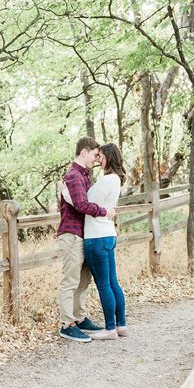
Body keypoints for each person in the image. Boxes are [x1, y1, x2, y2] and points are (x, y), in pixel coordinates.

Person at [63, 143, 127, 341]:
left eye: (100, 156)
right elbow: (89, 202)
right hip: (107, 234)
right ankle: (120, 325)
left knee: (104, 285)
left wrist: (66, 194)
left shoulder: (107, 180)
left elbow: (83, 203)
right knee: (112, 282)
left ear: (108, 157)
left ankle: (110, 328)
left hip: (96, 236)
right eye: (95, 155)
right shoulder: (114, 180)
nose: (97, 160)